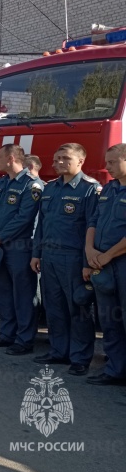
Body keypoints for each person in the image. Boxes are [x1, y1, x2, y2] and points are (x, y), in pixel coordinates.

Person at [31, 144, 98, 375]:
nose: (58, 162)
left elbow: (92, 227)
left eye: (65, 158)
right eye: (56, 158)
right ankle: (59, 351)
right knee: (54, 307)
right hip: (48, 256)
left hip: (74, 258)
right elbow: (41, 224)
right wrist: (36, 253)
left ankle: (80, 358)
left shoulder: (90, 189)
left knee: (78, 308)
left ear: (80, 161)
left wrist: (87, 263)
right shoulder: (50, 189)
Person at [0, 144, 43, 355]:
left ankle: (24, 339)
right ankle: (6, 334)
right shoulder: (1, 183)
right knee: (4, 293)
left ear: (10, 159)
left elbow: (24, 218)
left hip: (19, 248)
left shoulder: (32, 185)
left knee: (23, 295)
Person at [85, 144, 126, 386]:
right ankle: (115, 370)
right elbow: (94, 220)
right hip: (102, 261)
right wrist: (90, 250)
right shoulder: (109, 188)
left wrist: (108, 254)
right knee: (109, 319)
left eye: (112, 162)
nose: (107, 167)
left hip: (119, 262)